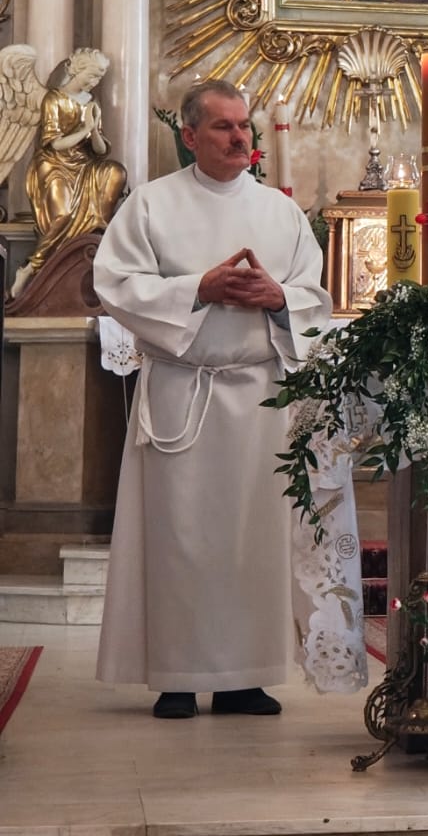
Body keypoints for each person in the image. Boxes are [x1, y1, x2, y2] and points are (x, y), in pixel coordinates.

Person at [93, 81, 331, 719]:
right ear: (190, 136)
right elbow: (114, 282)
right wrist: (197, 289)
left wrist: (278, 299)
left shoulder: (280, 212)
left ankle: (243, 679)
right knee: (180, 536)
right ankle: (176, 676)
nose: (239, 137)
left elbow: (314, 297)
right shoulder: (151, 204)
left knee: (251, 538)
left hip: (259, 399)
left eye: (244, 125)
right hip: (182, 390)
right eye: (223, 127)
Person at [13, 49, 127, 294]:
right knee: (63, 214)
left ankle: (94, 238)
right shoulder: (54, 99)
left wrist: (93, 130)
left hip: (84, 164)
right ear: (77, 70)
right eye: (92, 75)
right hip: (54, 164)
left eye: (99, 77)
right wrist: (84, 128)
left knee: (116, 172)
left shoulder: (91, 102)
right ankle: (31, 268)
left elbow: (99, 151)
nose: (94, 81)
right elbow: (55, 144)